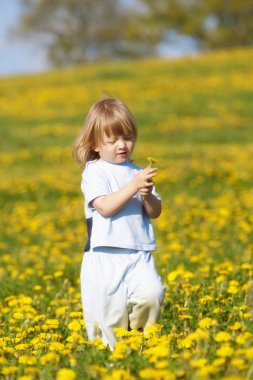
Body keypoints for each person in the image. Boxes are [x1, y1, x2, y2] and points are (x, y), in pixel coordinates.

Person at [73, 98, 165, 350]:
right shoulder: (95, 171)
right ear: (94, 144)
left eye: (127, 137)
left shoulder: (137, 172)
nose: (121, 145)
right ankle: (115, 360)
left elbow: (155, 211)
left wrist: (146, 194)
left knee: (152, 294)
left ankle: (141, 342)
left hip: (139, 253)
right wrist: (134, 185)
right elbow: (104, 207)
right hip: (104, 256)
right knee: (110, 320)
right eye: (111, 141)